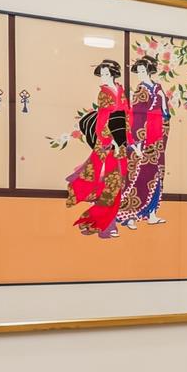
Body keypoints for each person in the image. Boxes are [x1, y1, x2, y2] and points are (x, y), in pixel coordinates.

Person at [65, 59, 129, 238]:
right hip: (108, 142)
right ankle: (106, 224)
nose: (103, 78)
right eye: (102, 74)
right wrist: (111, 140)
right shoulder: (104, 94)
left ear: (114, 74)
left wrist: (126, 139)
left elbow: (126, 116)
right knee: (111, 183)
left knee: (117, 184)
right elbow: (103, 119)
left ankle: (106, 221)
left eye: (107, 74)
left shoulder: (120, 90)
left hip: (120, 142)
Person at [117, 54, 172, 229]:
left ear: (149, 71)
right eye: (138, 71)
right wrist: (136, 142)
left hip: (157, 136)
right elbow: (136, 118)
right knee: (139, 176)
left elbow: (165, 110)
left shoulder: (158, 88)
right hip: (144, 136)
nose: (140, 74)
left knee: (156, 175)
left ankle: (152, 213)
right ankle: (130, 216)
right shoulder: (141, 90)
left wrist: (164, 124)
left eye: (142, 71)